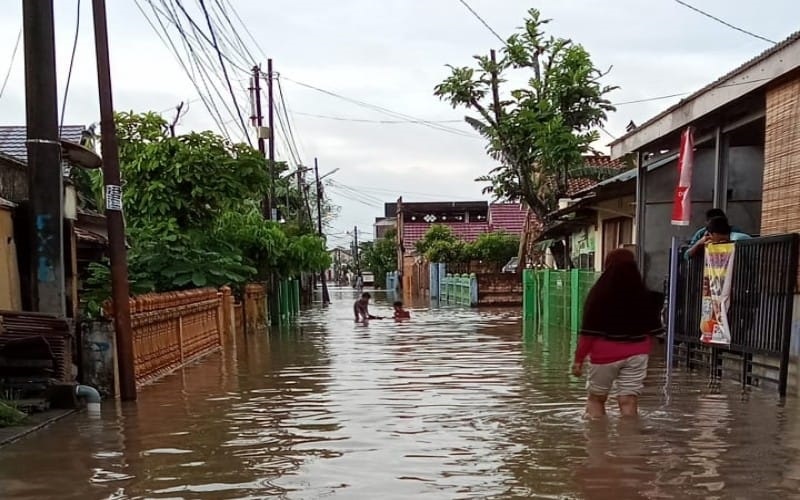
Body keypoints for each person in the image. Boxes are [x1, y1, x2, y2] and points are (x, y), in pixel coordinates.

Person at [572, 248, 664, 418]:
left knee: (596, 399)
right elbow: (654, 331)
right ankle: (629, 441)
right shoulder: (643, 295)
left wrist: (578, 360)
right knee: (628, 399)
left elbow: (588, 333)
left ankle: (598, 440)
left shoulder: (598, 294)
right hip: (638, 354)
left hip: (604, 355)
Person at [686, 216, 751, 259]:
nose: (709, 238)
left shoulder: (737, 240)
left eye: (709, 235)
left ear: (714, 234)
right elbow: (687, 255)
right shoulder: (734, 238)